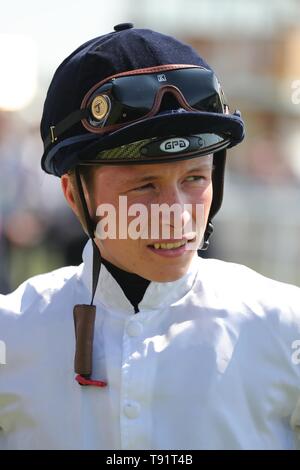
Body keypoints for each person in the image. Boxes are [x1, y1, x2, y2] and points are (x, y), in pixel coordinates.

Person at [0, 23, 299, 451]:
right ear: (73, 193)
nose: (176, 213)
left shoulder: (287, 327)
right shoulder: (10, 332)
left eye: (195, 177)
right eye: (144, 186)